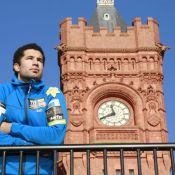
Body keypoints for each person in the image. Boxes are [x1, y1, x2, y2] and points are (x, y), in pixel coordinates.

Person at [0, 43, 68, 174]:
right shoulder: (2, 91)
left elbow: (56, 136)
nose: (36, 63)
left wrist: (11, 127)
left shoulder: (52, 94)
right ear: (17, 67)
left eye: (40, 60)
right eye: (30, 58)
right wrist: (37, 146)